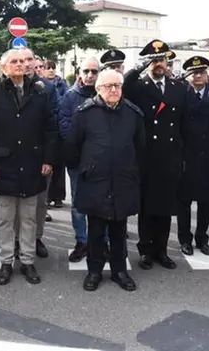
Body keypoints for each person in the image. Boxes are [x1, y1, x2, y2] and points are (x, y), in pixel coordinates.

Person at [0, 49, 58, 285]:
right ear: (4, 67)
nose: (21, 65)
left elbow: (51, 129)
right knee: (6, 219)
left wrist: (48, 160)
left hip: (33, 164)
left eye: (23, 61)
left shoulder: (40, 92)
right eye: (15, 61)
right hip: (4, 166)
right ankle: (7, 261)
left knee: (29, 218)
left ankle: (28, 261)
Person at [66, 69, 144, 292]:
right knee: (96, 230)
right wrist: (86, 168)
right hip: (95, 181)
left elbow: (141, 147)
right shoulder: (84, 113)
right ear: (98, 88)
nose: (113, 90)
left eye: (117, 86)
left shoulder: (132, 113)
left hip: (122, 180)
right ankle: (94, 271)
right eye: (108, 86)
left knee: (119, 229)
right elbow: (72, 147)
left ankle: (120, 271)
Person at [122, 39, 186, 270]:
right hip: (147, 155)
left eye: (163, 59)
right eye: (155, 60)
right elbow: (123, 85)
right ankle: (146, 251)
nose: (160, 64)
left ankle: (162, 250)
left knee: (166, 207)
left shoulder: (178, 87)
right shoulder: (138, 86)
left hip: (170, 155)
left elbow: (184, 123)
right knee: (147, 208)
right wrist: (139, 66)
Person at [177, 56, 209, 256]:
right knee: (184, 202)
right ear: (188, 76)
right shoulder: (181, 94)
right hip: (186, 155)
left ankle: (202, 238)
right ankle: (184, 239)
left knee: (205, 202)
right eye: (194, 72)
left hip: (208, 155)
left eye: (202, 72)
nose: (198, 75)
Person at [58, 58, 100, 262]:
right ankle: (81, 241)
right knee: (78, 203)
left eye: (94, 71)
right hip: (78, 160)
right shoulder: (69, 97)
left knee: (103, 202)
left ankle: (102, 242)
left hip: (101, 160)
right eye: (86, 71)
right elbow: (64, 125)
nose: (90, 75)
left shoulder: (106, 93)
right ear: (79, 74)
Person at [18, 48, 58, 254]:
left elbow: (53, 126)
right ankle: (17, 240)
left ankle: (37, 237)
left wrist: (49, 159)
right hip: (14, 157)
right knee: (16, 203)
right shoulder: (4, 86)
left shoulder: (48, 89)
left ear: (35, 62)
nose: (25, 63)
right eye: (20, 59)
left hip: (39, 155)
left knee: (40, 202)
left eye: (29, 59)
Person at [40, 59, 68, 208]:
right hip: (50, 127)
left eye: (53, 68)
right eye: (48, 68)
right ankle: (48, 196)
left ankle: (58, 195)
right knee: (48, 165)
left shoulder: (62, 84)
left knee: (59, 166)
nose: (51, 70)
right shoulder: (42, 85)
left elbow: (65, 102)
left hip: (59, 126)